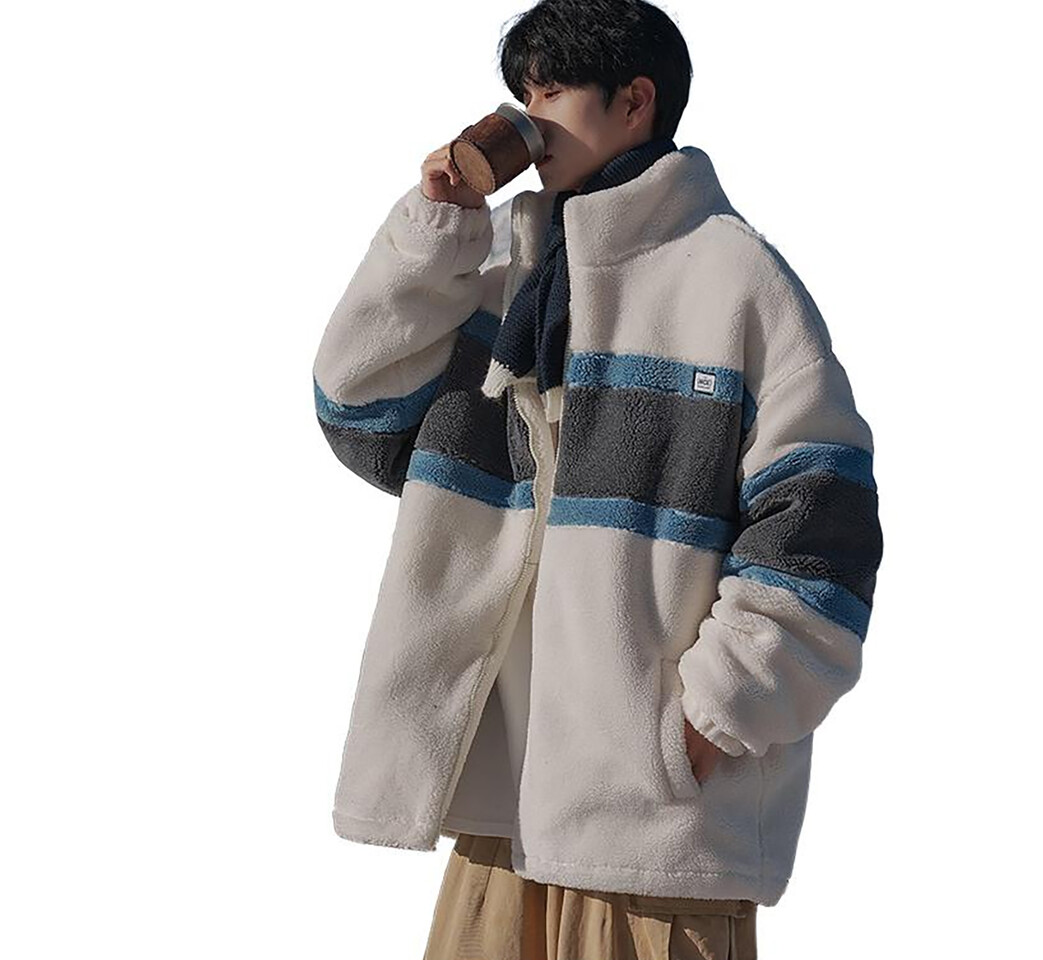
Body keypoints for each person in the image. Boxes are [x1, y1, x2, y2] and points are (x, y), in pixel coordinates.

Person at [311, 2, 884, 956]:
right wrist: (434, 235)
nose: (528, 123)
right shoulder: (499, 265)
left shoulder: (734, 278)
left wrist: (714, 714)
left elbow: (822, 524)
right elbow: (361, 416)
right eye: (521, 95)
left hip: (653, 824)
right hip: (502, 810)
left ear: (635, 101)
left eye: (551, 94)